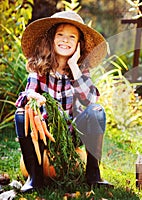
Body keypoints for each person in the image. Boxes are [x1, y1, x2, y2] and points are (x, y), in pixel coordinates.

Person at [14, 10, 111, 192]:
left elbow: (90, 99)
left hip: (71, 134)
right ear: (51, 39)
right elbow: (26, 96)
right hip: (43, 133)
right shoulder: (39, 67)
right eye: (60, 35)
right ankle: (35, 178)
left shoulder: (81, 71)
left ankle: (93, 175)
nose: (65, 40)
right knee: (21, 113)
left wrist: (74, 67)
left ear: (78, 45)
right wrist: (33, 97)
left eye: (71, 37)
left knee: (97, 111)